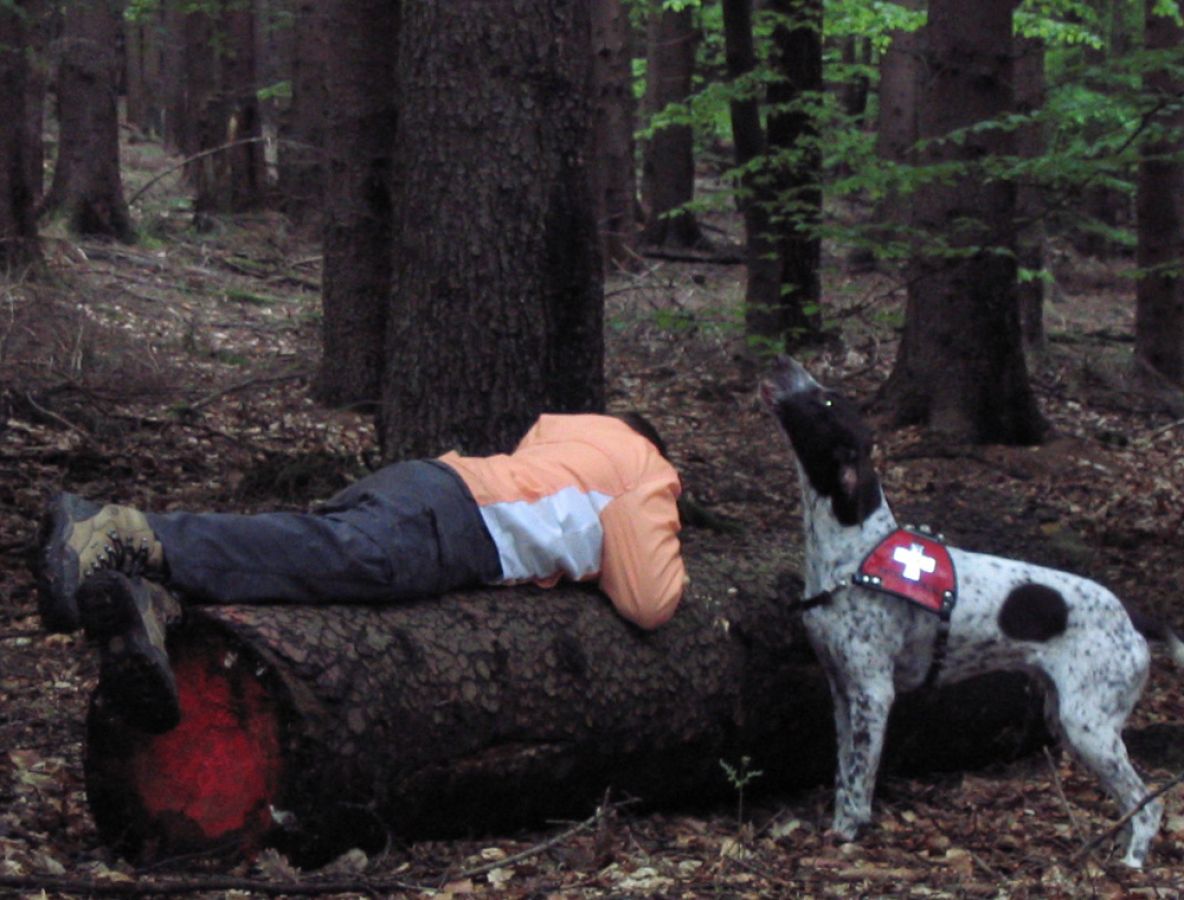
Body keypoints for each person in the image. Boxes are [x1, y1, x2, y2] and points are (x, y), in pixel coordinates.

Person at [38, 413, 687, 733]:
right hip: (460, 519)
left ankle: (150, 604)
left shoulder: (567, 438)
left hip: (428, 483)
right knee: (342, 557)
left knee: (310, 568)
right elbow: (649, 600)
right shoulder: (642, 467)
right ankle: (125, 531)